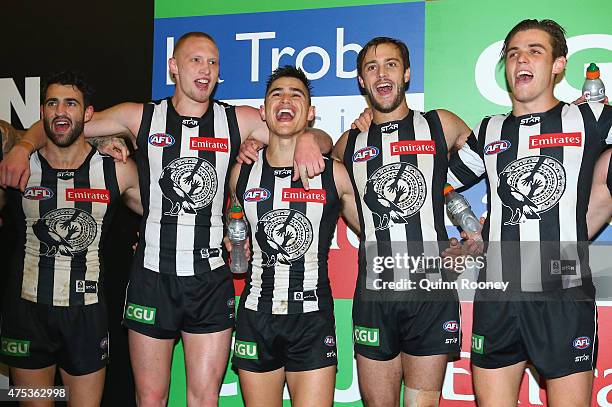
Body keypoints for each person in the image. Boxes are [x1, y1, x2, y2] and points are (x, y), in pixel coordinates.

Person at [0, 32, 332, 406]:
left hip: (209, 281)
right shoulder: (140, 115)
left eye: (213, 62)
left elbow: (300, 131)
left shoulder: (237, 119)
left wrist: (307, 138)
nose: (205, 69)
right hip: (151, 278)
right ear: (173, 67)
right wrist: (25, 146)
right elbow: (67, 124)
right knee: (151, 397)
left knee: (204, 398)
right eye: (195, 60)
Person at [447, 19, 612, 406]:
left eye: (535, 51)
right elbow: (436, 180)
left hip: (563, 293)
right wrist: (467, 227)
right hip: (498, 295)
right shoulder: (489, 129)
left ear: (558, 65)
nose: (522, 59)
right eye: (513, 53)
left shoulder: (590, 118)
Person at [330, 37, 475, 407]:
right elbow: (330, 183)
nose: (382, 73)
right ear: (362, 80)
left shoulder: (440, 123)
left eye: (391, 64)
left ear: (407, 74)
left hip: (431, 292)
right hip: (374, 294)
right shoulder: (348, 143)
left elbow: (493, 160)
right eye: (371, 67)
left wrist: (470, 230)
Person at [0, 70, 141, 407]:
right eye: (52, 103)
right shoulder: (19, 166)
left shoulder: (115, 170)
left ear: (87, 114)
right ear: (42, 112)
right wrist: (17, 147)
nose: (60, 111)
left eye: (70, 103)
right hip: (26, 316)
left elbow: (161, 216)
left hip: (86, 317)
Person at [228, 65, 358, 407]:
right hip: (257, 315)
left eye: (296, 95)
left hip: (312, 319)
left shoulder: (336, 175)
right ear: (263, 111)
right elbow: (231, 229)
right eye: (276, 94)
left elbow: (375, 231)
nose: (285, 99)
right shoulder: (241, 174)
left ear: (311, 113)